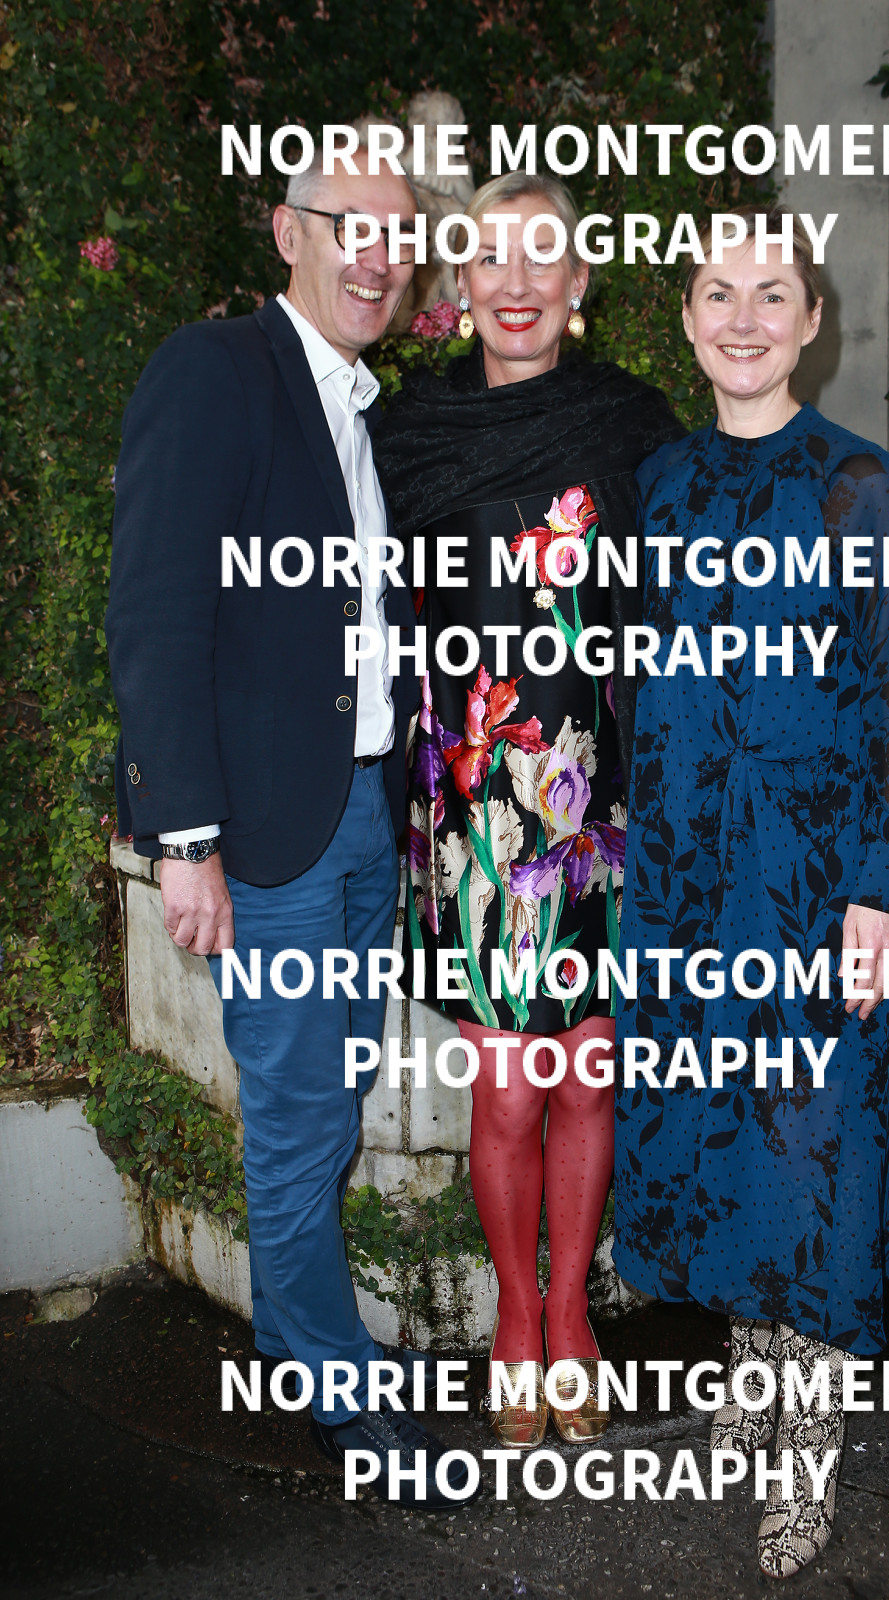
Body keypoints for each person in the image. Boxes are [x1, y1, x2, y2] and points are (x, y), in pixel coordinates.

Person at [105, 151, 475, 1505]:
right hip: (267, 833)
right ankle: (337, 1384)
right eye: (348, 226)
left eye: (397, 235)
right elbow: (154, 613)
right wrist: (184, 836)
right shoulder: (215, 373)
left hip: (362, 809)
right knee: (300, 1107)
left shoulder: (366, 409)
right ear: (287, 230)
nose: (376, 255)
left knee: (330, 1094)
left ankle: (294, 1334)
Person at [613, 207, 889, 1577]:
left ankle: (803, 1458)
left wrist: (884, 884)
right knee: (722, 1137)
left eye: (772, 293)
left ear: (813, 320)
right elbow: (637, 674)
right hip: (684, 881)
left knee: (812, 1155)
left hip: (817, 890)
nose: (743, 319)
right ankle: (752, 1377)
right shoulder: (660, 485)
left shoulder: (862, 488)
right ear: (688, 318)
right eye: (718, 292)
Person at [373, 172, 684, 1447]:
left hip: (604, 809)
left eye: (540, 256)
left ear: (577, 282)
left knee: (590, 1084)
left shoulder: (632, 427)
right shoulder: (409, 433)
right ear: (460, 283)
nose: (514, 282)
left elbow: (686, 610)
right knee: (507, 1091)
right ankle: (514, 1314)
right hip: (479, 820)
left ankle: (571, 1313)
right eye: (490, 257)